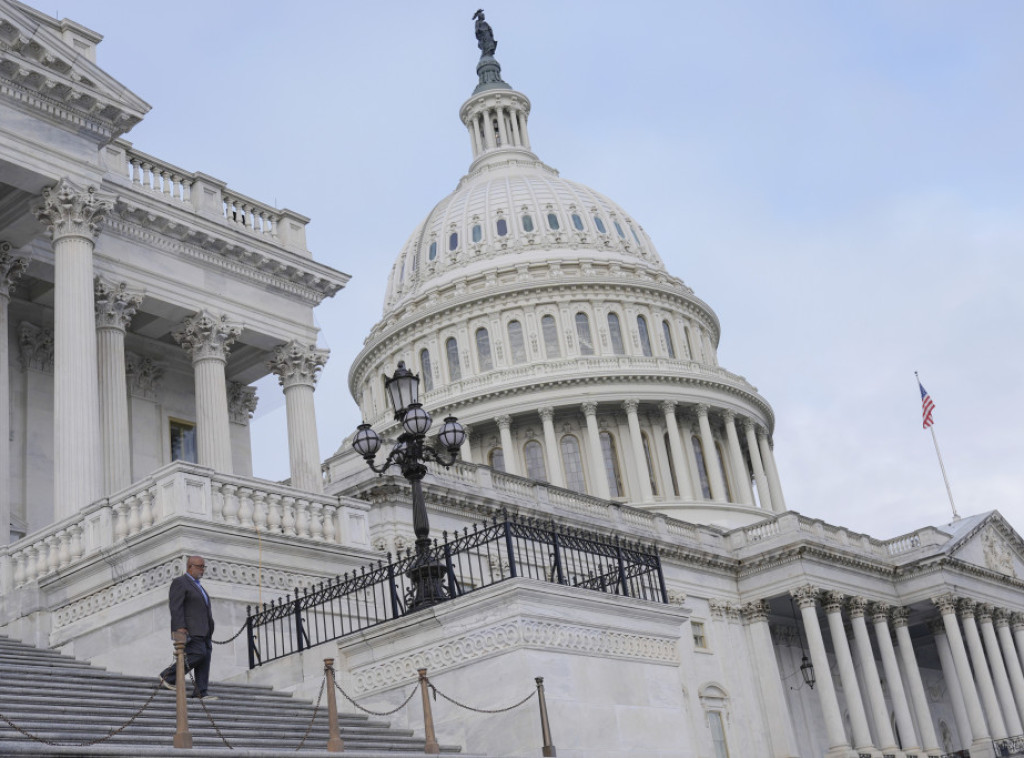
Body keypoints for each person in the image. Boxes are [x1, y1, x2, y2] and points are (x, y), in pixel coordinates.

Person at [158, 555, 217, 700]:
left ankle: (200, 692)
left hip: (205, 631)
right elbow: (176, 607)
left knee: (205, 659)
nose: (202, 570)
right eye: (200, 567)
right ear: (190, 567)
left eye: (204, 567)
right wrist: (180, 627)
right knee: (198, 654)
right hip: (192, 629)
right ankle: (168, 676)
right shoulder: (180, 583)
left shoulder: (199, 586)